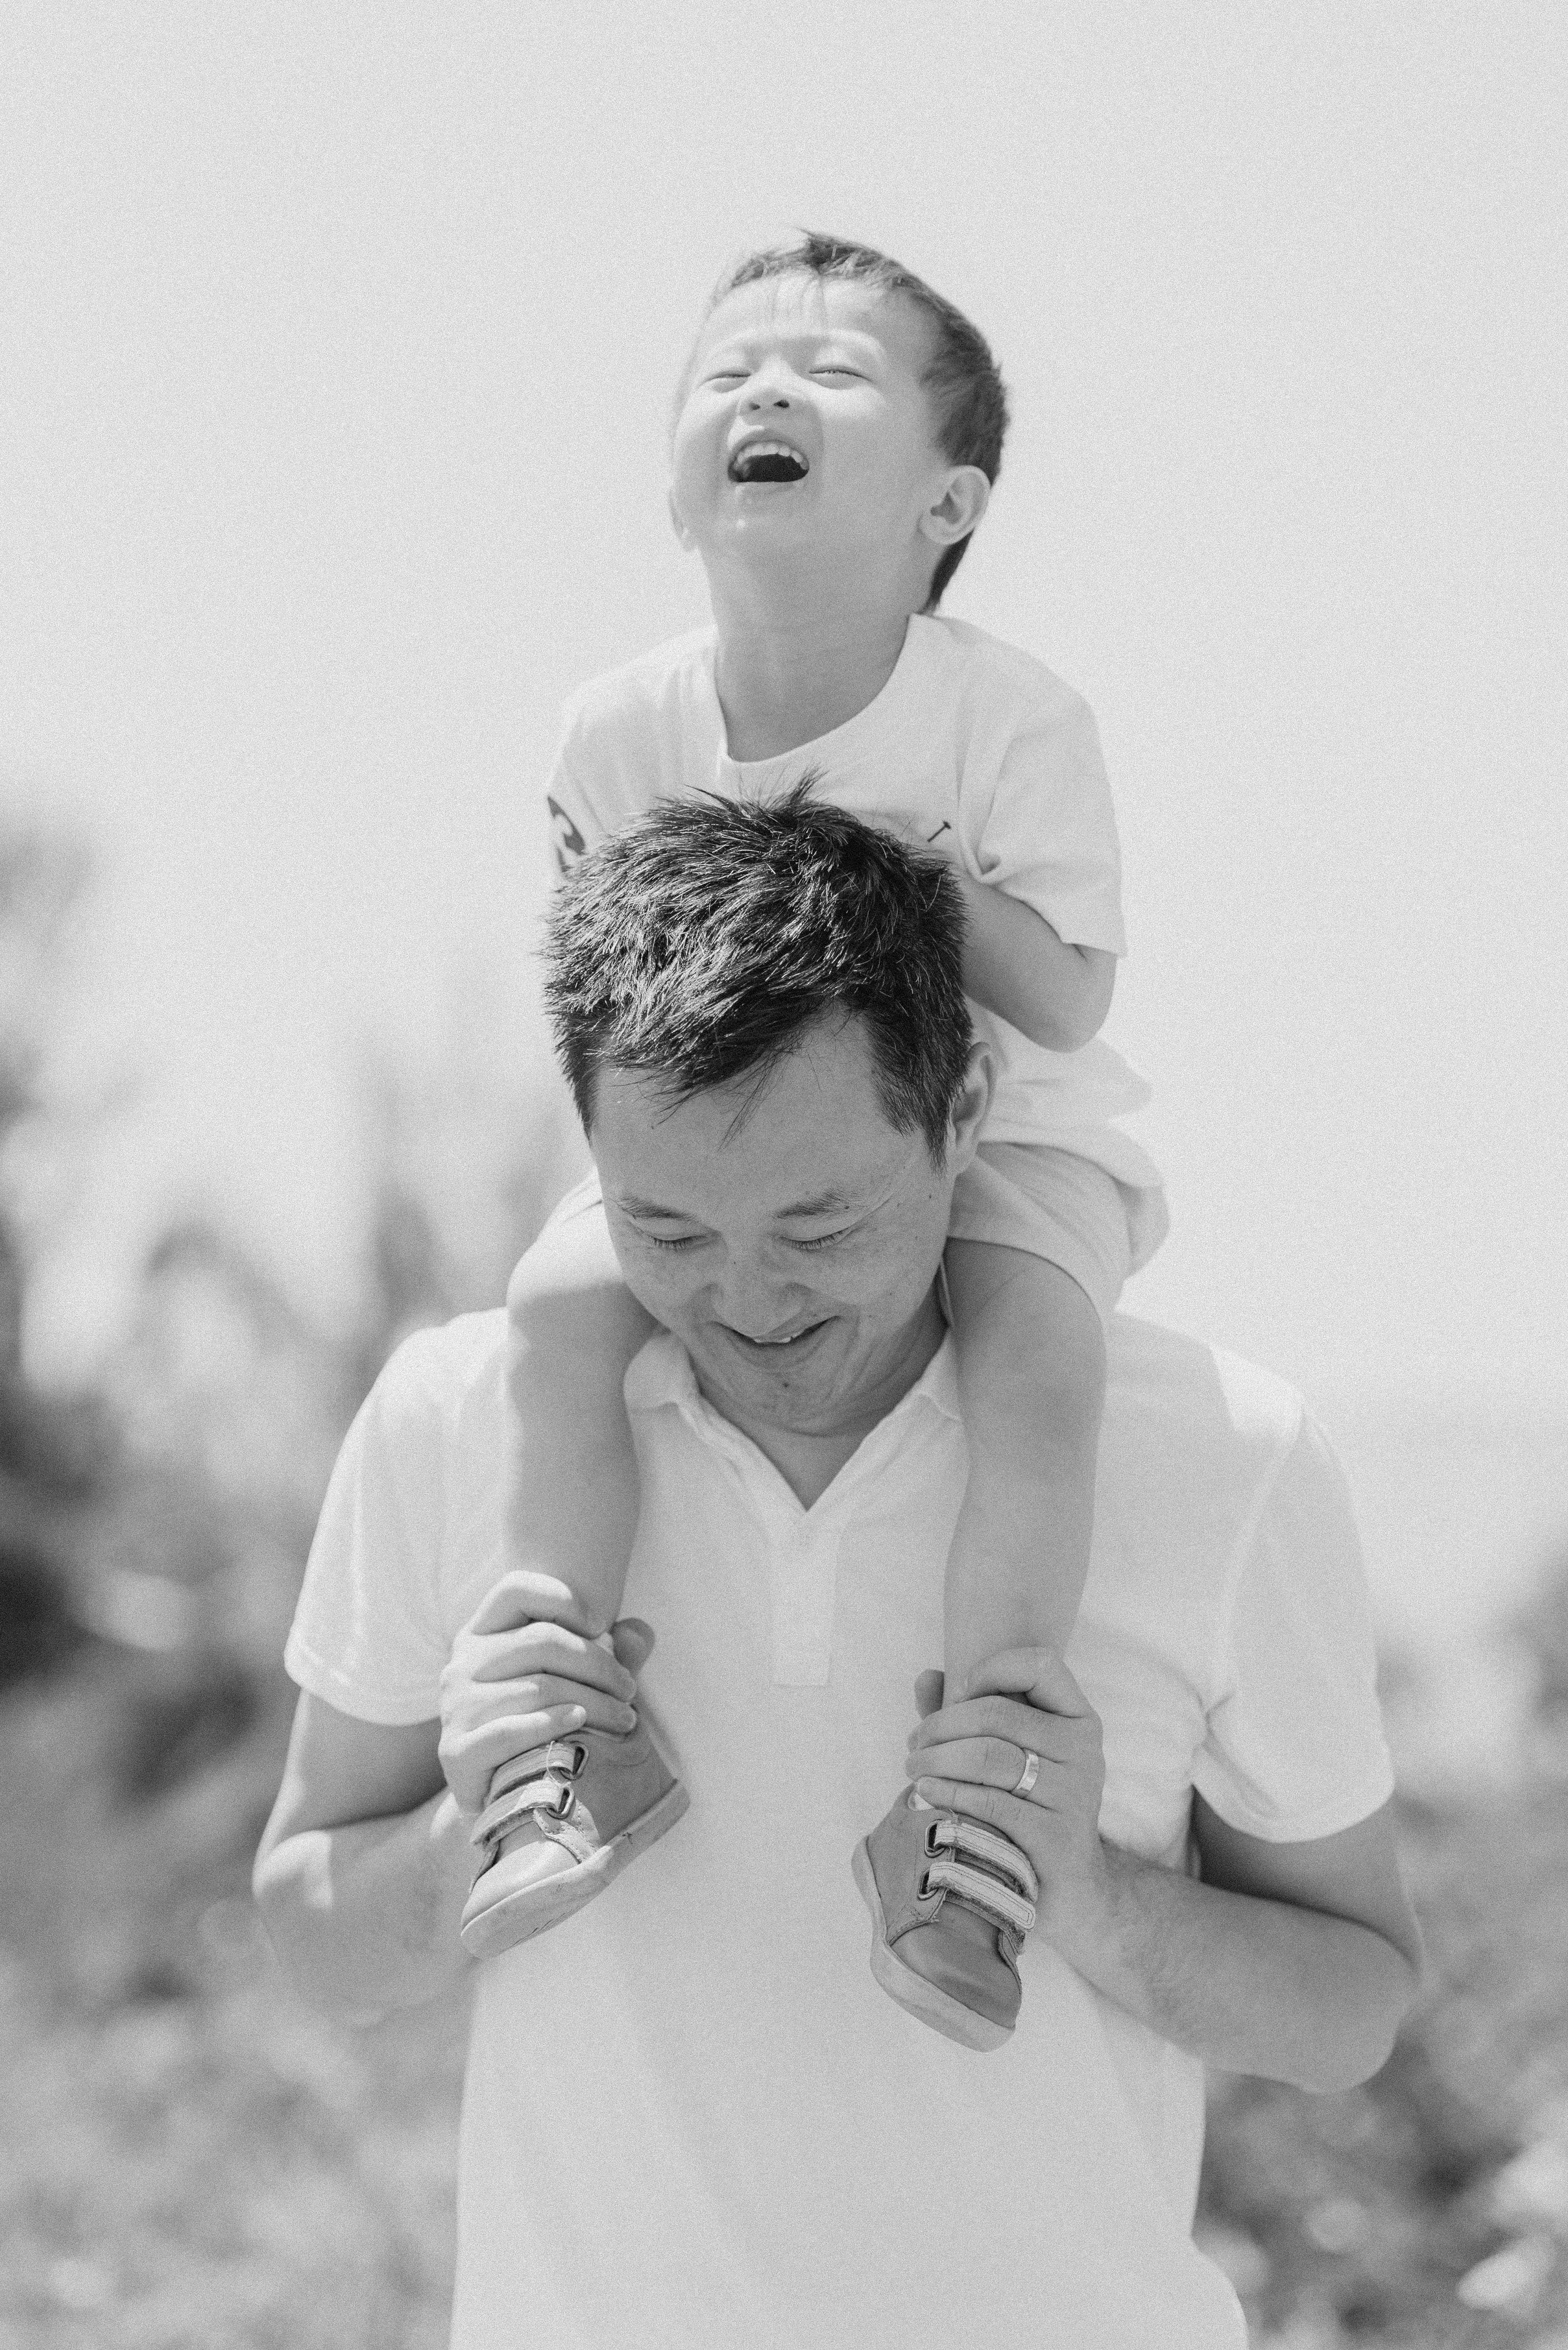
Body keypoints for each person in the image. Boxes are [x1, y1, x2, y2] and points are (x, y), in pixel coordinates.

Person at [254, 791, 1422, 2350]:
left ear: (960, 1109)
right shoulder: (463, 1422)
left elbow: (1353, 2004)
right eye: (664, 1227)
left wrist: (1082, 1892)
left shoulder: (1219, 1457)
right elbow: (310, 1937)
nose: (748, 1297)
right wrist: (465, 1834)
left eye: (820, 1223)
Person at [476, 234, 1169, 2049]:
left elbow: (1074, 1000)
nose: (765, 390)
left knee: (1033, 1366)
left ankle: (967, 1812)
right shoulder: (617, 725)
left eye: (829, 371)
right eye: (728, 371)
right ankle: (559, 1738)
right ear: (678, 487)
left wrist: (895, 858)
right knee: (553, 1315)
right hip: (730, 1150)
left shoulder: (1005, 717)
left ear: (948, 501)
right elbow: (612, 1013)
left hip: (1001, 1124)